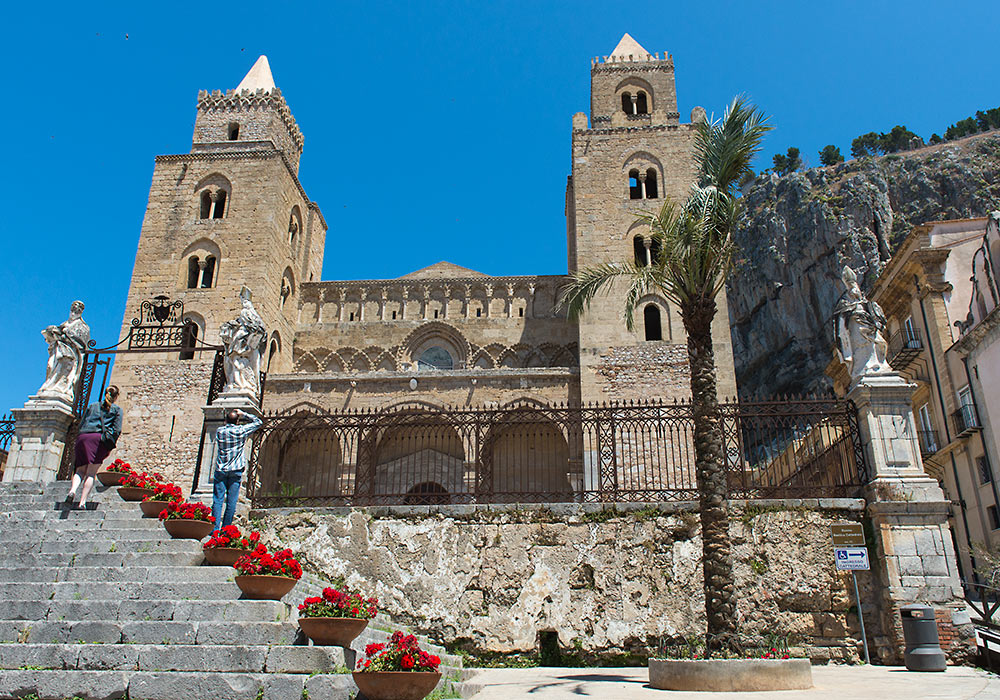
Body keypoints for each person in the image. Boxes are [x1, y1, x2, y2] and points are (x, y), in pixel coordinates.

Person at [67, 385, 122, 509]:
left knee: (80, 470)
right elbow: (117, 430)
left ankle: (72, 491)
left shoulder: (92, 406)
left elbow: (81, 423)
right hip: (98, 440)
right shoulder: (116, 410)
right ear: (116, 396)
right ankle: (82, 502)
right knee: (91, 473)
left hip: (83, 437)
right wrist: (109, 446)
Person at [212, 408, 263, 528]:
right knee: (231, 502)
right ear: (238, 421)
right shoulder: (241, 431)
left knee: (217, 501)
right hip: (236, 470)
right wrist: (244, 414)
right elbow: (258, 422)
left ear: (225, 420)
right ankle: (226, 530)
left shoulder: (220, 431)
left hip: (221, 469)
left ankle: (215, 529)